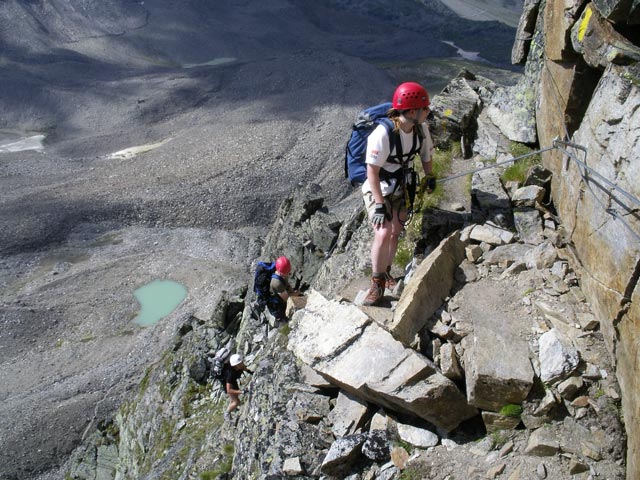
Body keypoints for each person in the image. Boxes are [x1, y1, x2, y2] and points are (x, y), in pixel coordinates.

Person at [362, 81, 435, 306]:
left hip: (401, 186)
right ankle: (376, 283)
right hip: (379, 188)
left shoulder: (420, 130)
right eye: (425, 108)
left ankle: (386, 273)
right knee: (383, 233)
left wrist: (429, 176)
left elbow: (426, 155)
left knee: (395, 231)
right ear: (412, 111)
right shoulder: (382, 134)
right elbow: (372, 172)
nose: (428, 111)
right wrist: (379, 203)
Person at [267, 255, 296, 322]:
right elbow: (287, 298)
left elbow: (286, 283)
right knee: (285, 319)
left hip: (281, 293)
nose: (288, 273)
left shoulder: (280, 270)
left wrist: (292, 291)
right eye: (287, 272)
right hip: (277, 305)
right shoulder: (277, 283)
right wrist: (297, 293)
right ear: (282, 272)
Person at [224, 353, 248, 421]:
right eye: (240, 363)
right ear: (236, 365)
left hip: (233, 383)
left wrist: (252, 372)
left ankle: (232, 407)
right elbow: (229, 390)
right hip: (228, 385)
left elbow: (245, 369)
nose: (242, 363)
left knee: (236, 399)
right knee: (236, 402)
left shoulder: (239, 367)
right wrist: (242, 391)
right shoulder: (230, 375)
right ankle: (226, 413)